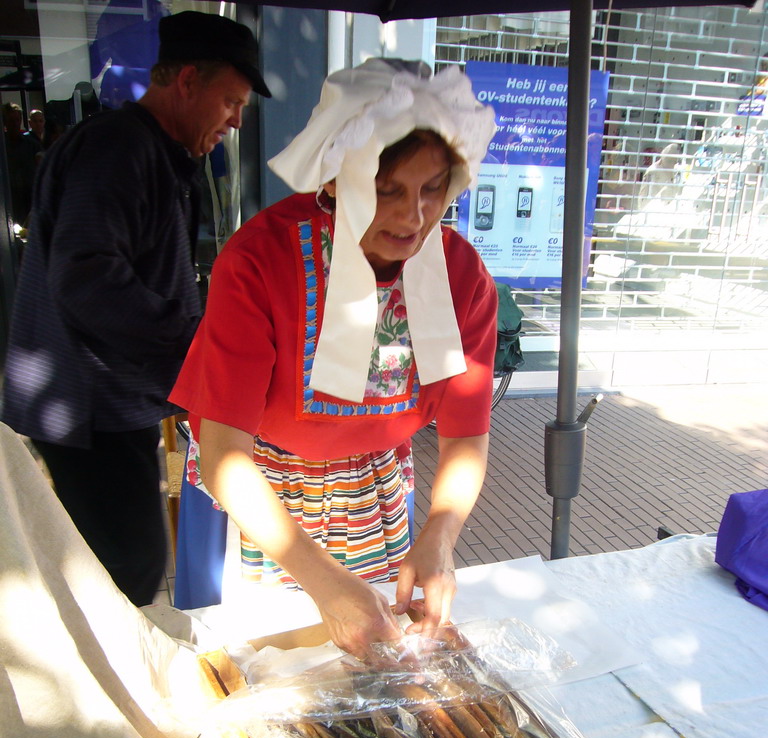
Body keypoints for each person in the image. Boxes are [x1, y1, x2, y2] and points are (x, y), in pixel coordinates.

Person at [169, 59, 498, 659]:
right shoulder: (258, 262)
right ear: (334, 179)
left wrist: (441, 535)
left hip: (373, 493)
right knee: (264, 666)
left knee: (374, 661)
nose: (413, 215)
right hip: (259, 498)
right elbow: (224, 456)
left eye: (433, 189)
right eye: (386, 188)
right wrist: (322, 582)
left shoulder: (463, 278)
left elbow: (466, 437)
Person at [0, 12, 270, 607]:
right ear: (187, 83)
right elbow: (88, 277)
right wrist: (197, 343)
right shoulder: (119, 149)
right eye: (231, 100)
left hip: (101, 403)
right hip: (89, 408)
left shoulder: (148, 149)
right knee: (129, 567)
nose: (237, 120)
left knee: (119, 561)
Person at [2, 102, 42, 226]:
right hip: (10, 199)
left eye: (17, 120)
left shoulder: (31, 144)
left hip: (29, 197)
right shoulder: (3, 146)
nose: (15, 123)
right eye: (11, 120)